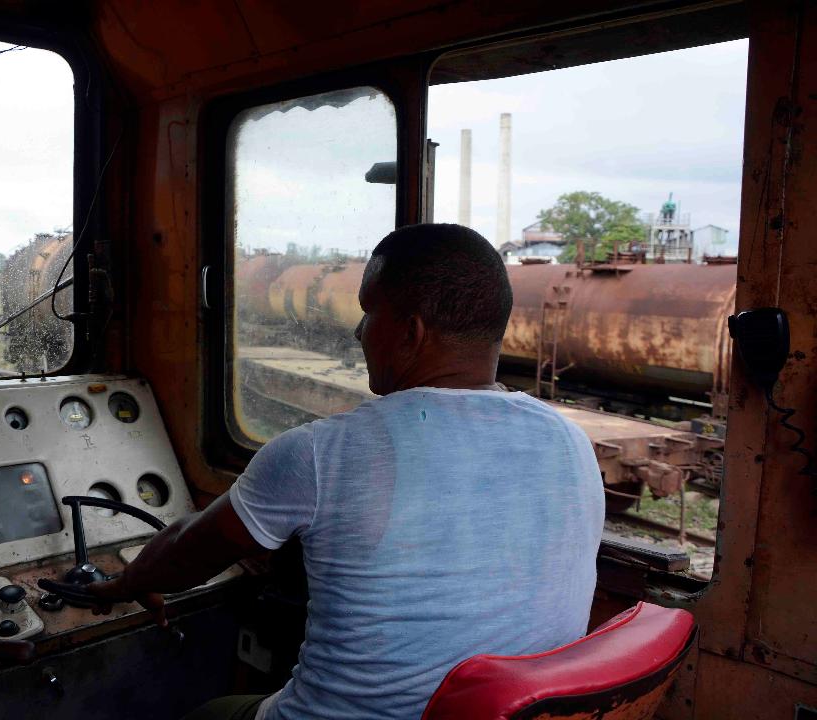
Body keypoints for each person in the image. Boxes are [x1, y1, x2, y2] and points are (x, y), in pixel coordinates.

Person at [80, 224, 605, 719]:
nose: (357, 332)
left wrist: (127, 582)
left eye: (368, 314)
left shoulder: (321, 453)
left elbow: (184, 555)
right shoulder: (570, 442)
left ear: (410, 333)